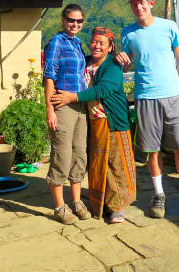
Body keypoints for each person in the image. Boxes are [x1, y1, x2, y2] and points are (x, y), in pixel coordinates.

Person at [116, 0, 179, 223]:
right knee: (152, 151)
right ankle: (159, 195)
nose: (139, 7)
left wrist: (173, 84)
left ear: (151, 3)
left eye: (142, 2)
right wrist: (121, 60)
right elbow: (125, 66)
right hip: (145, 97)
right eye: (134, 4)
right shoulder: (128, 33)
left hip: (172, 96)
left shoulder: (169, 26)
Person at [50, 27, 137, 224]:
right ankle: (102, 202)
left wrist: (73, 97)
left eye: (102, 43)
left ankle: (118, 208)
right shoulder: (86, 61)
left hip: (113, 121)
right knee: (98, 165)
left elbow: (104, 89)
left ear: (110, 47)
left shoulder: (113, 64)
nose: (97, 45)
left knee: (116, 166)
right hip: (93, 122)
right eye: (94, 41)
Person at [43, 4, 91, 224]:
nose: (75, 25)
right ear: (63, 20)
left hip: (80, 105)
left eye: (79, 21)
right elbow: (49, 76)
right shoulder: (57, 42)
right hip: (62, 105)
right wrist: (50, 110)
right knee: (62, 155)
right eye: (71, 20)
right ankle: (59, 206)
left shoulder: (78, 44)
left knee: (79, 153)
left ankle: (76, 201)